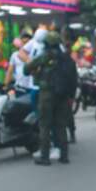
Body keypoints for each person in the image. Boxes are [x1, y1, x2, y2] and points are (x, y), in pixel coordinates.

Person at [25, 31, 71, 166]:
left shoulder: (44, 57)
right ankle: (64, 156)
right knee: (60, 126)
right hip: (62, 95)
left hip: (47, 95)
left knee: (44, 125)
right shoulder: (65, 58)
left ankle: (45, 157)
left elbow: (26, 69)